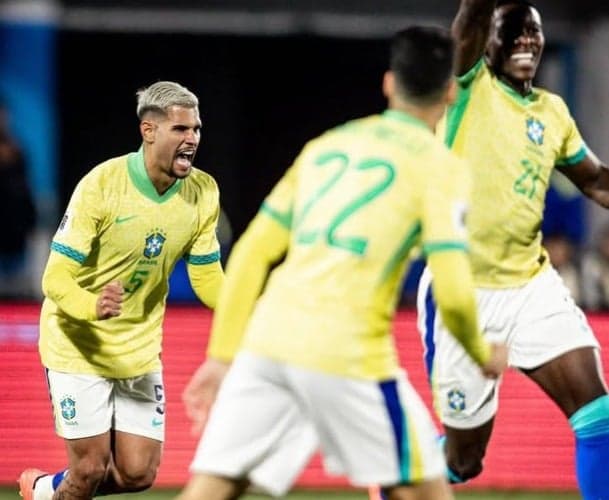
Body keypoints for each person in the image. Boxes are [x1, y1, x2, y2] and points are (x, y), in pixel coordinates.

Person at [177, 26, 507, 500]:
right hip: (349, 350)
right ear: (451, 92)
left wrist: (221, 356)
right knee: (424, 489)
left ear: (390, 83)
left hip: (268, 342)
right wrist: (483, 353)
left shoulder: (326, 146)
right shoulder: (442, 167)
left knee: (214, 487)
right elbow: (453, 289)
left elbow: (251, 252)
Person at [416, 1, 609, 498]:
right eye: (512, 31)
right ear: (489, 42)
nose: (525, 39)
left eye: (534, 31)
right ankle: (402, 480)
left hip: (531, 284)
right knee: (465, 461)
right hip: (463, 293)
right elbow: (472, 18)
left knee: (598, 414)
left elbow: (595, 181)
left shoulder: (552, 110)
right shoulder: (466, 89)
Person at [18, 80, 224, 500]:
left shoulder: (204, 191)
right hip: (80, 345)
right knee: (90, 469)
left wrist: (250, 310)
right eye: (181, 130)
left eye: (197, 129)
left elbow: (206, 277)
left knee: (137, 475)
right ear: (149, 130)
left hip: (139, 350)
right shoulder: (102, 185)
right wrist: (92, 305)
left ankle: (44, 490)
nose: (192, 139)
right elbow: (53, 278)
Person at [0, 97, 36, 299]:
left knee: (16, 291)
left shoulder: (17, 149)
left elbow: (24, 188)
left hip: (15, 230)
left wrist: (30, 219)